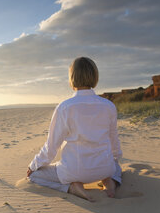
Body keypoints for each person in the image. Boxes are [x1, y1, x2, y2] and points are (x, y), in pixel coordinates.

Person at [27, 57, 122, 202]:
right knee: (116, 167)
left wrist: (34, 165)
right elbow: (114, 140)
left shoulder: (65, 107)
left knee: (34, 176)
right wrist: (114, 160)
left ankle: (71, 187)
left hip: (74, 171)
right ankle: (111, 181)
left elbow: (52, 147)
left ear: (72, 78)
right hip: (105, 169)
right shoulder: (108, 105)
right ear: (95, 76)